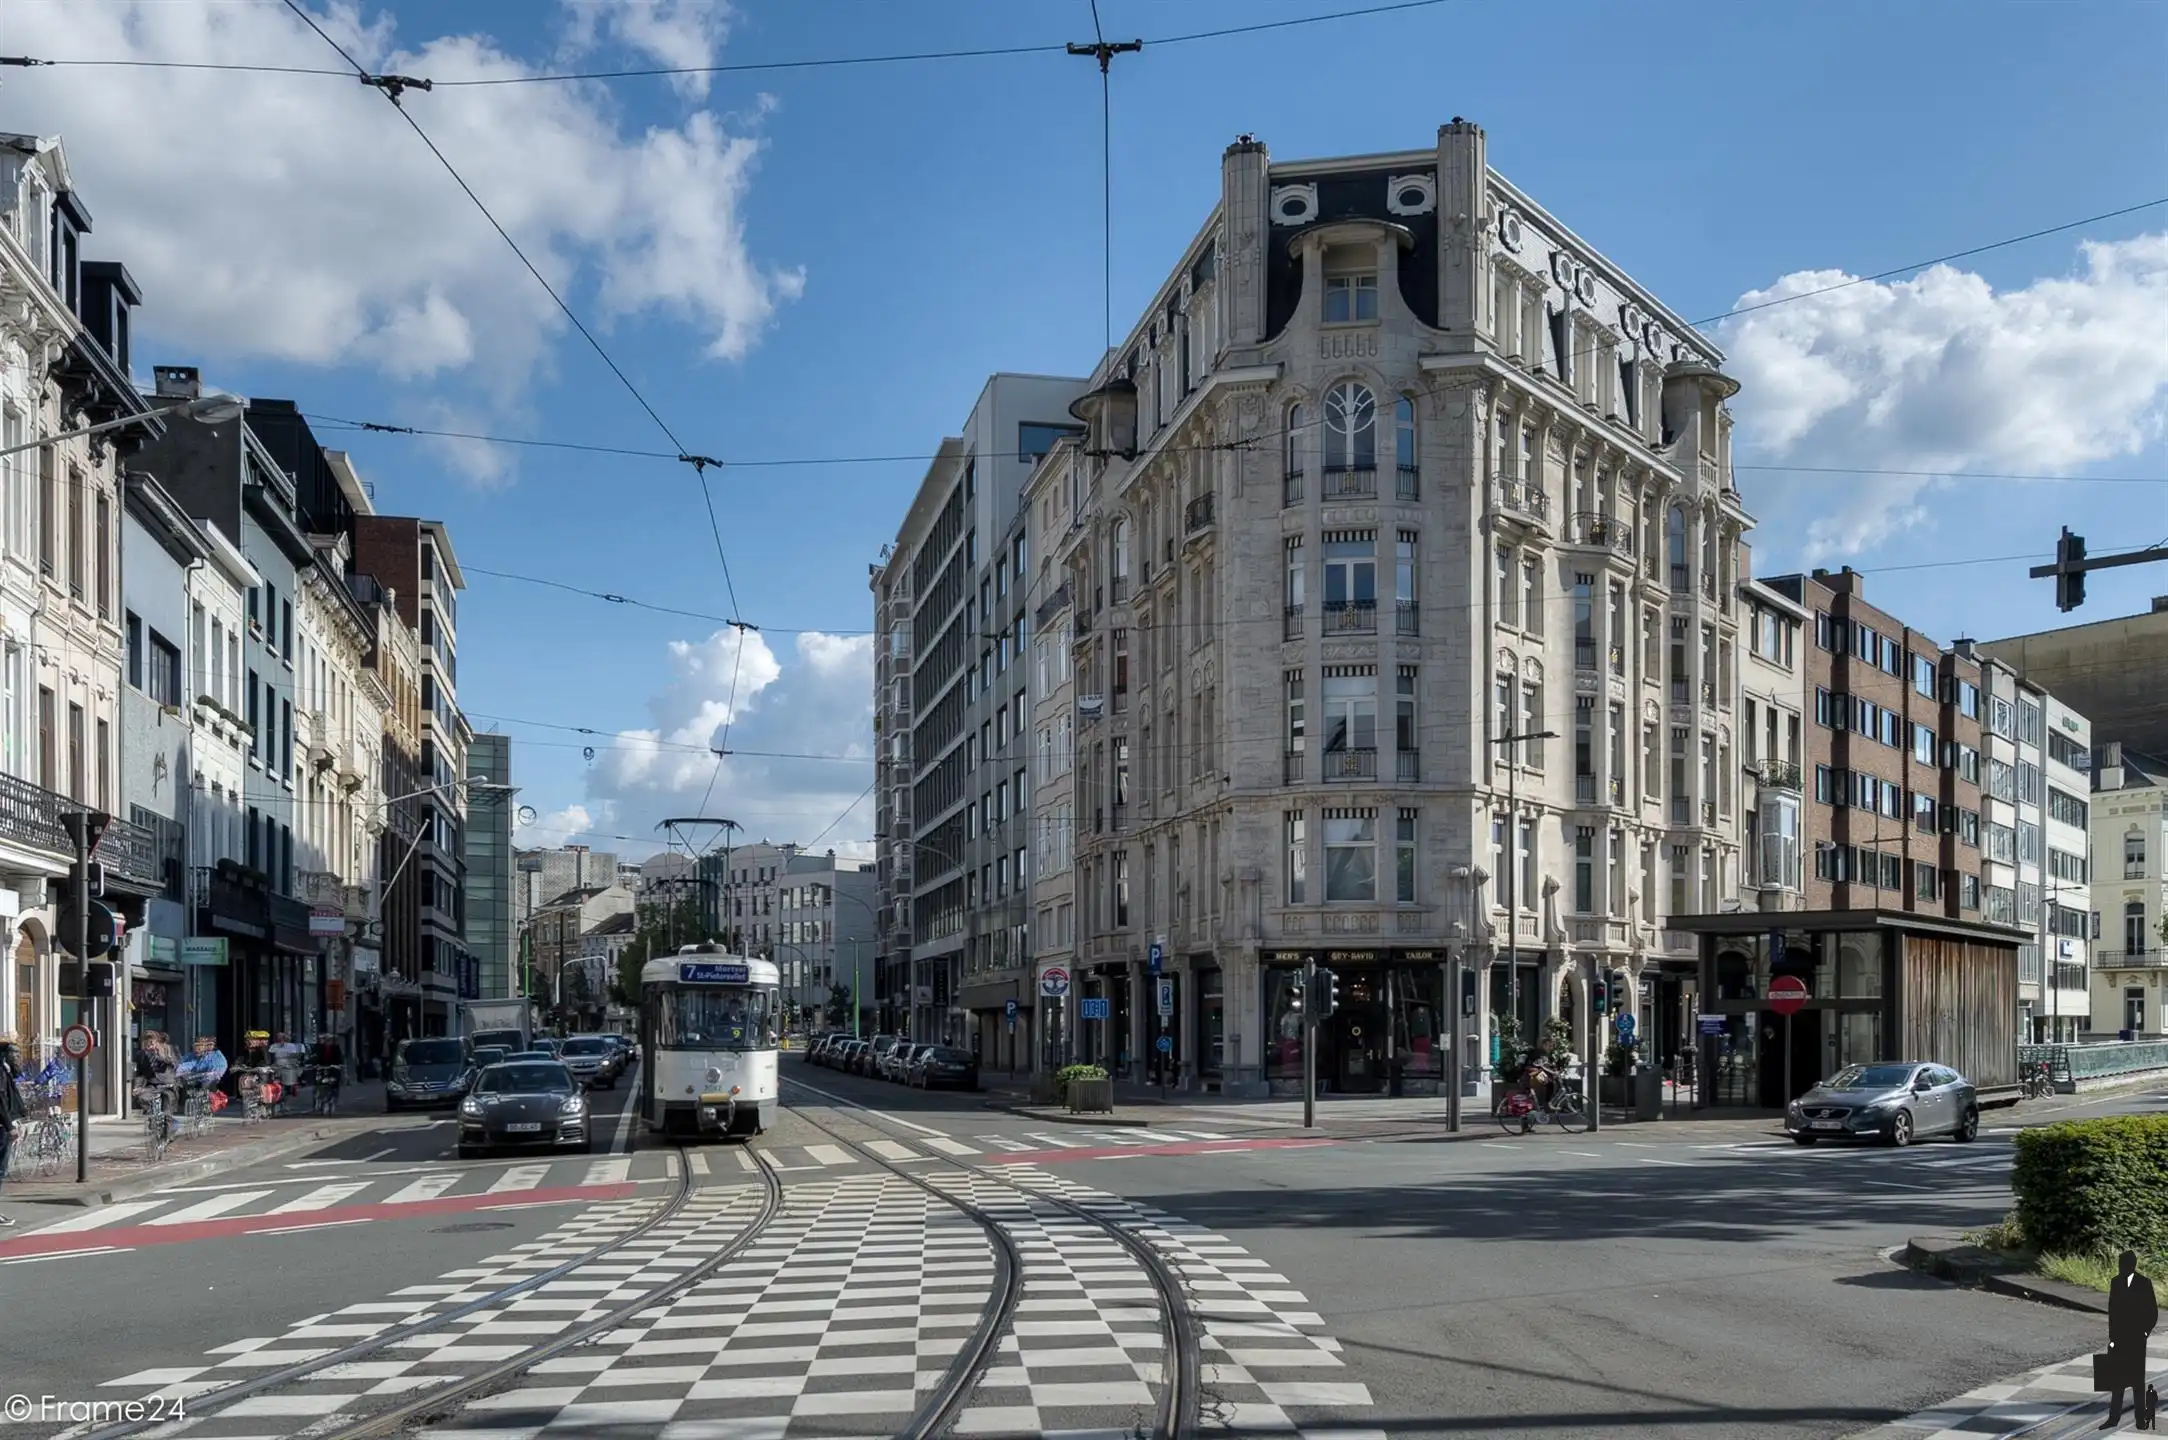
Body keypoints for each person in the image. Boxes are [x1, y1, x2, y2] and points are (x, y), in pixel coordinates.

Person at [2102, 1249, 2159, 1428]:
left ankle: (2140, 1419)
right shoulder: (2115, 1282)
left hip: (2136, 1339)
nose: (2121, 1268)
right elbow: (2113, 1312)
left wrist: (2145, 1332)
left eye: (2123, 1265)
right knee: (2116, 1381)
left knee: (2137, 1382)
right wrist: (2112, 1338)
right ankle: (2113, 1418)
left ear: (2131, 1265)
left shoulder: (2144, 1283)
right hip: (2119, 1339)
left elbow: (2152, 1311)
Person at [0, 1031, 26, 1226]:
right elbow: (0, 1100)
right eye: (14, 1053)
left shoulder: (5, 1069)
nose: (17, 1057)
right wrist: (9, 1126)